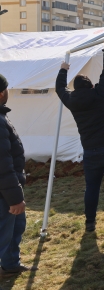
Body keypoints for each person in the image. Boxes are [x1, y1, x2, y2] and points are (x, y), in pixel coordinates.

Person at [55, 36, 104, 232]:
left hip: (90, 151)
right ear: (91, 85)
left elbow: (59, 88)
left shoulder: (71, 101)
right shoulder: (100, 94)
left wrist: (63, 69)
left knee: (92, 187)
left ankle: (90, 222)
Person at [0, 74, 37, 277]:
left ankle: (10, 264)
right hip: (4, 193)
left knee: (14, 229)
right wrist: (14, 199)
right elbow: (2, 165)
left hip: (7, 189)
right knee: (5, 232)